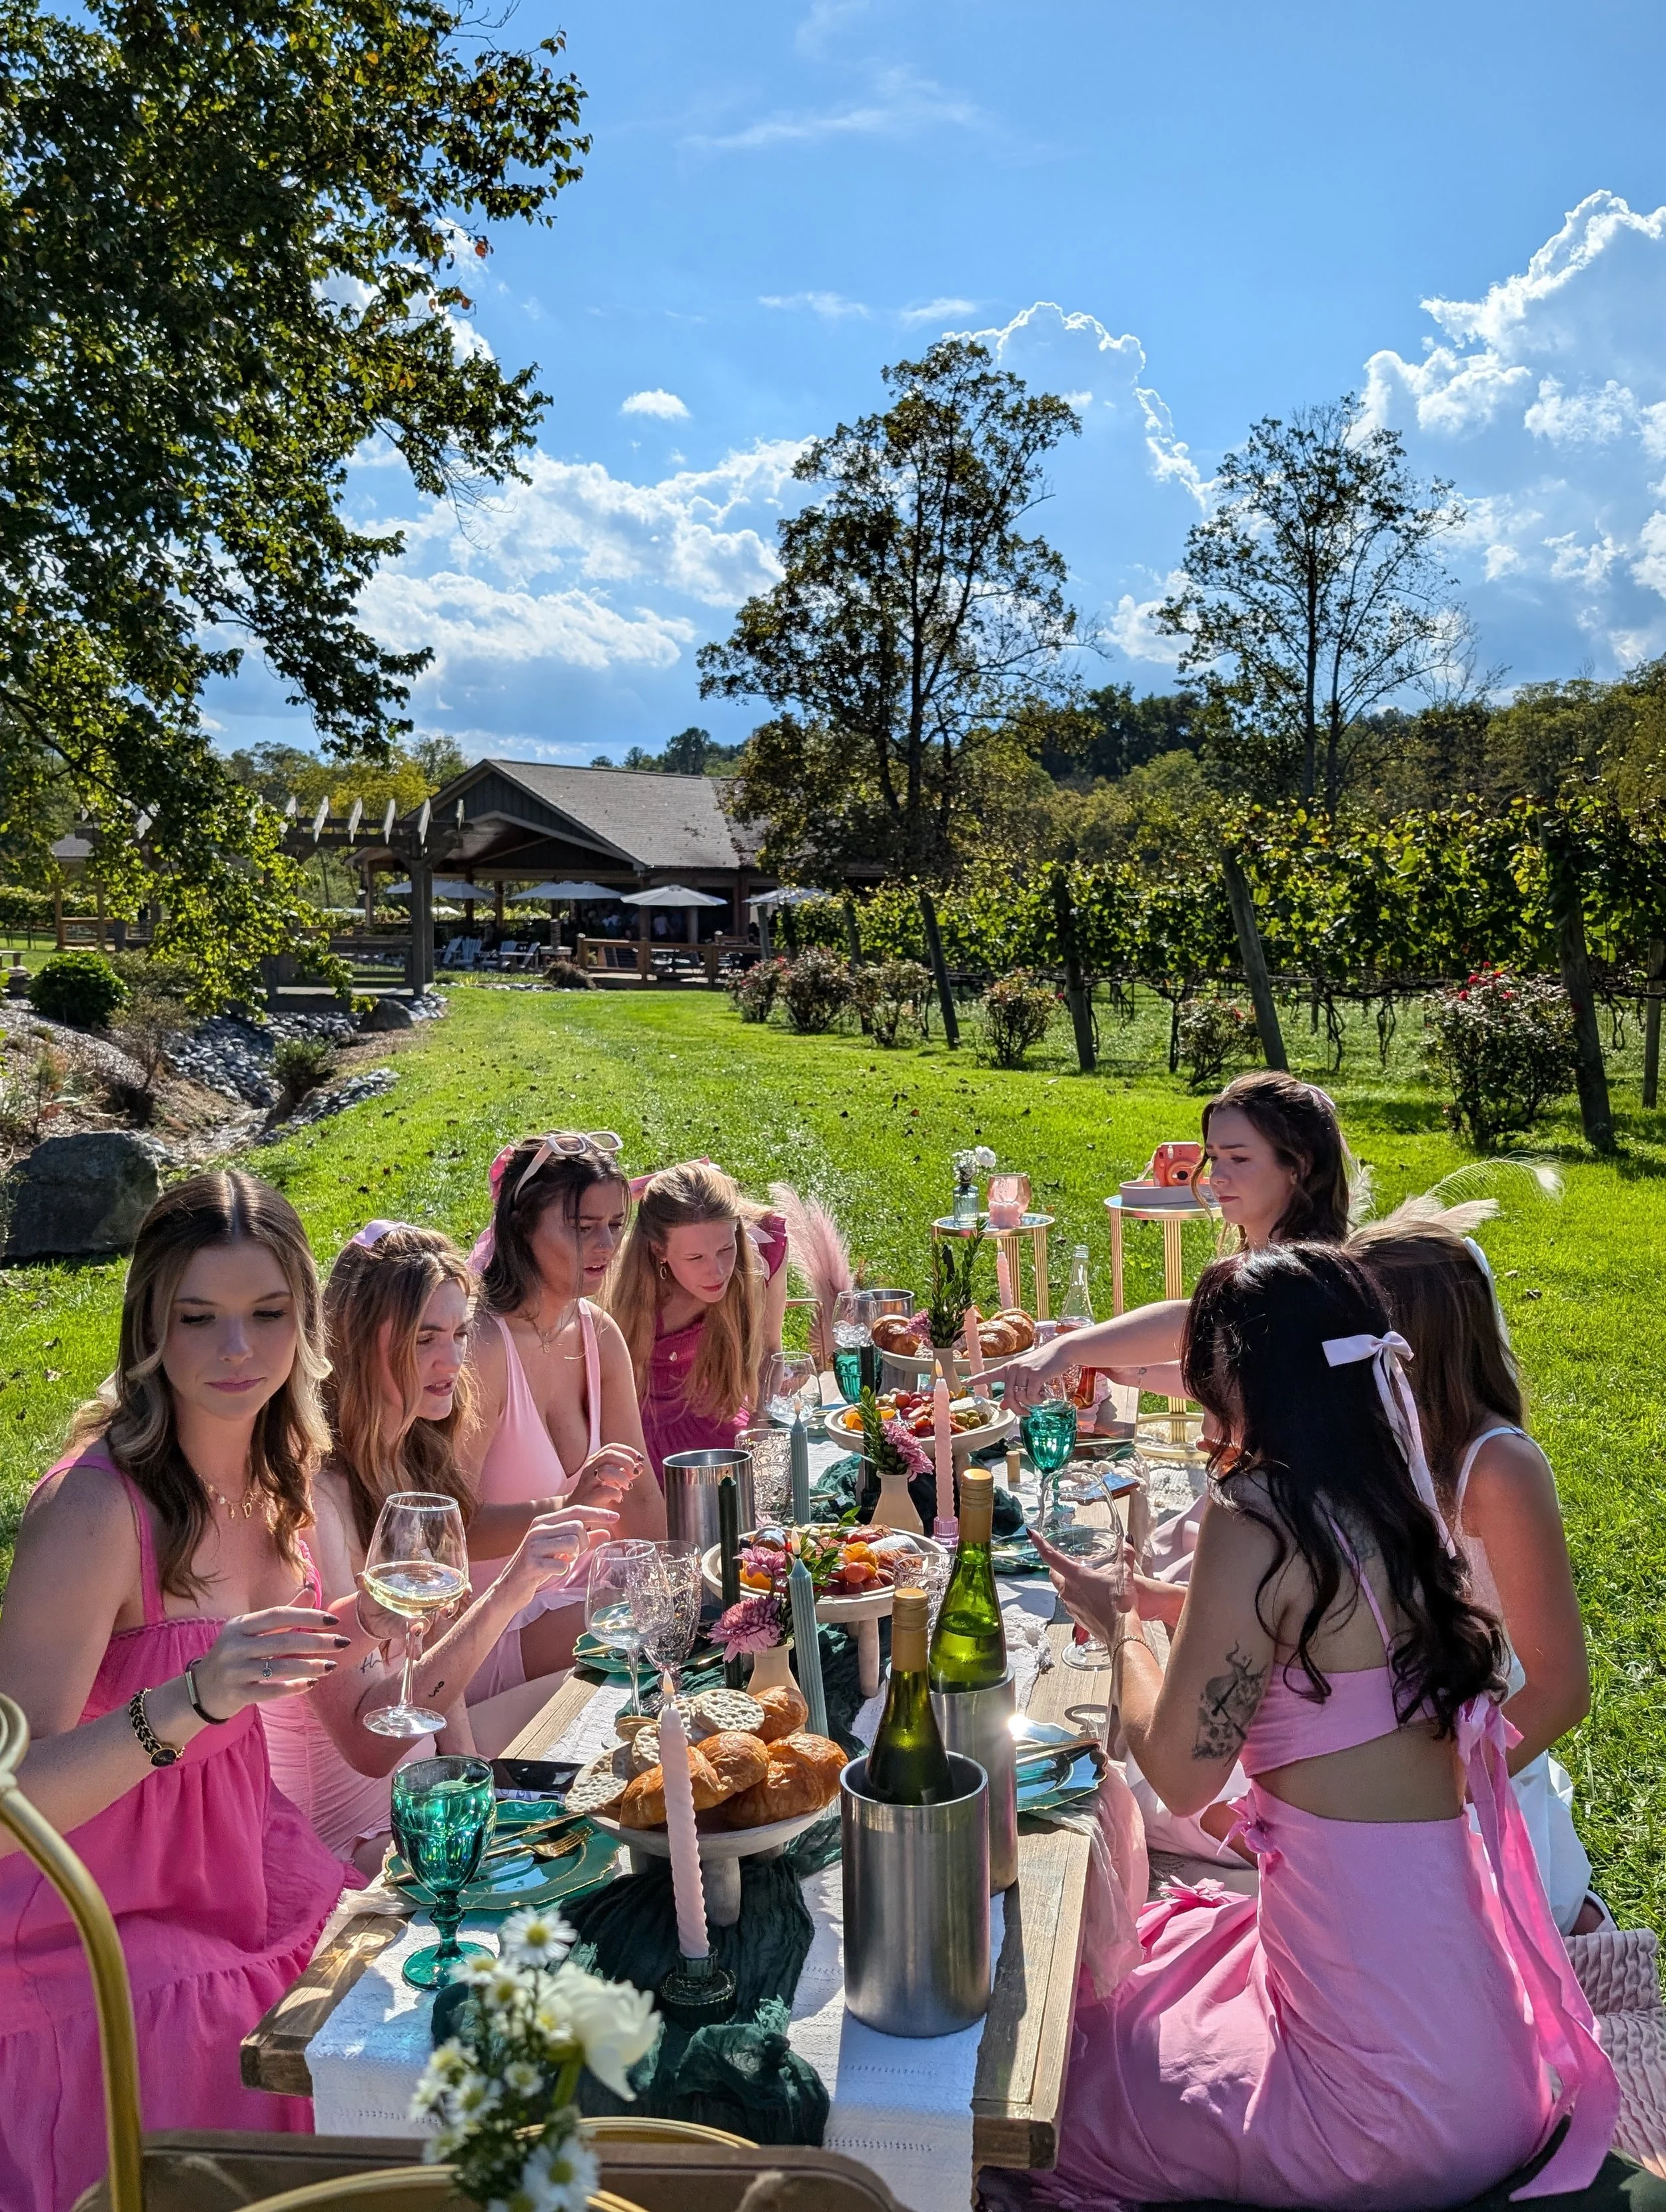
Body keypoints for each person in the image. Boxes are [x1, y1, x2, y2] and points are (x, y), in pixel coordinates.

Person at [1014, 1244, 1616, 2211]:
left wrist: (1121, 1627)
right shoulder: (1403, 1497)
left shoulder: (1258, 1512)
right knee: (1180, 1964)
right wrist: (1149, 1608)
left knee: (1062, 2088)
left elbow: (1180, 1775)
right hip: (1491, 2065)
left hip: (1379, 2117)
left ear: (1239, 1384)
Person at [0, 1173, 353, 2211]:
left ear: (304, 1321)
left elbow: (270, 1666)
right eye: (198, 1320)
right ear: (150, 1325)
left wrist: (355, 1633)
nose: (236, 1351)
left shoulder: (278, 1467)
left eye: (266, 1316)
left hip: (248, 1871)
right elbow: (7, 1805)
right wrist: (188, 1700)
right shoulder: (95, 1511)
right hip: (101, 1932)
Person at [263, 1221, 617, 1870]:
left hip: (426, 1805)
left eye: (458, 1334)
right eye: (426, 1337)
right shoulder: (316, 1500)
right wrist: (513, 1587)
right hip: (350, 1850)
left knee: (616, 1747)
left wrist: (486, 1794)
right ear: (355, 1341)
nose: (453, 1360)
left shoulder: (410, 1467)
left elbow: (441, 1677)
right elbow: (371, 1744)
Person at [1353, 1213, 1603, 1934]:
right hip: (1398, 1742)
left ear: (1407, 1344)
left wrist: (1439, 1790)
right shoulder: (1396, 1437)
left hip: (1472, 1781)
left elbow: (1559, 1688)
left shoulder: (1497, 1468)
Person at [459, 1133, 664, 1707]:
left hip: (590, 1604)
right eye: (582, 1227)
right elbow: (449, 1530)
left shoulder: (598, 1332)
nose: (606, 1246)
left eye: (616, 1225)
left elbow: (642, 1495)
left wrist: (663, 1590)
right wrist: (563, 1511)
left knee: (700, 1604)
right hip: (495, 1626)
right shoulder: (481, 1345)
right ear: (522, 1225)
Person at [607, 1159, 789, 1480]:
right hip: (640, 1437)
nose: (717, 1271)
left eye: (726, 1248)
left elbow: (770, 1349)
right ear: (658, 1251)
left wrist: (761, 1419)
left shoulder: (764, 1252)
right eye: (695, 1258)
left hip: (720, 1418)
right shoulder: (629, 1295)